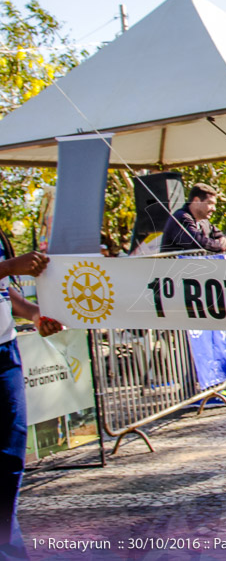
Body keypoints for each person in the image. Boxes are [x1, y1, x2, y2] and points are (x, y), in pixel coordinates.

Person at [0, 230, 63, 560]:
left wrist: (35, 314)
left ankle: (8, 542)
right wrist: (10, 265)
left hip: (4, 352)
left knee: (11, 453)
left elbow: (4, 293)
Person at [160, 183, 226, 253]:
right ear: (196, 201)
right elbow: (197, 243)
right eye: (210, 203)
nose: (214, 209)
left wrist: (224, 240)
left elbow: (219, 235)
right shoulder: (181, 217)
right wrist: (220, 246)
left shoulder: (204, 221)